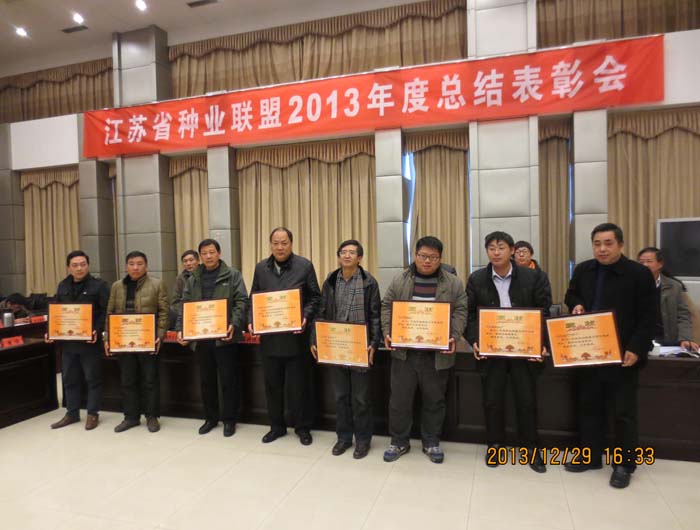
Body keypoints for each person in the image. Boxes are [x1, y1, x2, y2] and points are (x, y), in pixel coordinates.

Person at [564, 223, 655, 489]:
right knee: (589, 406)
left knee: (623, 412)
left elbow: (649, 316)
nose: (602, 249)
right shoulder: (584, 270)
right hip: (589, 352)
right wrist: (576, 304)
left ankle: (624, 465)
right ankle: (590, 456)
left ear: (621, 245)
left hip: (623, 354)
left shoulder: (639, 274)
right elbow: (571, 293)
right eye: (597, 244)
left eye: (608, 243)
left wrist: (636, 348)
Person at [465, 232, 551, 473]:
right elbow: (470, 315)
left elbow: (544, 310)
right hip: (492, 351)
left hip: (524, 349)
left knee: (526, 400)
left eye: (501, 247)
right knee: (492, 401)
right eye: (491, 248)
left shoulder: (533, 276)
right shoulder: (477, 279)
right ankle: (495, 446)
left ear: (512, 250)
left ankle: (531, 448)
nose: (496, 252)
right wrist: (475, 340)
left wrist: (541, 341)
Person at [381, 236, 467, 464]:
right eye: (423, 256)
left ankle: (431, 442)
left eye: (433, 257)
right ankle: (399, 441)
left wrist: (453, 335)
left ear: (440, 259)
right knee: (399, 400)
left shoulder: (453, 283)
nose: (427, 261)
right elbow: (387, 306)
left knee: (434, 400)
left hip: (436, 355)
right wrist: (388, 331)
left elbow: (461, 310)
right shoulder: (400, 279)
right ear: (415, 255)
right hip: (405, 353)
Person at [248, 227, 321, 446]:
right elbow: (254, 298)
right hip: (270, 340)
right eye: (276, 243)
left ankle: (303, 427)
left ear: (291, 243)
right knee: (272, 387)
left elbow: (315, 298)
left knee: (299, 388)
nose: (280, 247)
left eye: (284, 243)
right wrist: (251, 319)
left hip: (296, 340)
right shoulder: (261, 268)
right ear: (270, 244)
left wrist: (305, 316)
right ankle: (276, 427)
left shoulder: (304, 266)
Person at [310, 239, 381, 459]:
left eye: (352, 252)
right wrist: (315, 338)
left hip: (360, 347)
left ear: (360, 258)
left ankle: (363, 440)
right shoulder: (331, 281)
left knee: (360, 398)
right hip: (336, 346)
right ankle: (343, 438)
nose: (347, 255)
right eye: (343, 252)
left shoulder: (369, 282)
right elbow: (321, 313)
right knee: (340, 396)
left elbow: (375, 315)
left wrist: (374, 343)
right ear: (339, 256)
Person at [176, 239, 248, 437]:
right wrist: (181, 329)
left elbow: (242, 301)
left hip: (225, 338)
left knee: (228, 381)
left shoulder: (232, 274)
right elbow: (185, 305)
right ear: (200, 257)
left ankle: (229, 420)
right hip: (201, 339)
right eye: (204, 253)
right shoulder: (193, 278)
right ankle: (210, 418)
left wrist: (234, 323)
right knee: (206, 381)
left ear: (219, 253)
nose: (208, 256)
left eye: (211, 252)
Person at [104, 251, 169, 433]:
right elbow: (110, 313)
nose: (135, 267)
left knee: (150, 380)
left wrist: (160, 335)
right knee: (127, 380)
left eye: (140, 264)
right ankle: (131, 417)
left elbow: (164, 312)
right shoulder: (117, 286)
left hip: (147, 340)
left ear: (146, 266)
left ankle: (152, 416)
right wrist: (108, 337)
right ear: (126, 267)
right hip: (123, 341)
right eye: (131, 264)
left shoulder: (157, 284)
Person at [47, 250, 110, 431]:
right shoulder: (63, 286)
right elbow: (57, 311)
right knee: (69, 379)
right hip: (68, 343)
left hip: (90, 343)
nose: (79, 268)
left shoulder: (99, 286)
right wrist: (50, 331)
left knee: (92, 378)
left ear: (88, 265)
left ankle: (92, 413)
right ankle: (72, 413)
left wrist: (97, 330)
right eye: (75, 265)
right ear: (69, 267)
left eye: (83, 264)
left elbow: (106, 311)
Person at [637, 247, 699, 351]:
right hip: (640, 341)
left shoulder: (674, 287)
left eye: (649, 261)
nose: (645, 265)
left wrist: (685, 338)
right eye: (641, 262)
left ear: (660, 264)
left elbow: (683, 315)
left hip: (668, 341)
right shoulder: (632, 285)